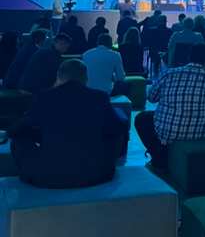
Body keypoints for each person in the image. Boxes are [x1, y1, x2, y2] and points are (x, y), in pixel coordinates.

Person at [9, 58, 127, 188]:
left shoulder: (45, 97)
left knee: (18, 139)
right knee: (116, 128)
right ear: (86, 78)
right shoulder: (100, 97)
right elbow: (117, 128)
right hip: (97, 174)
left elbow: (16, 130)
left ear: (58, 77)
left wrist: (40, 135)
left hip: (49, 176)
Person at [135, 43, 205, 170]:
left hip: (169, 132)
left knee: (142, 118)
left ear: (189, 57)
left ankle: (159, 156)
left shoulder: (169, 74)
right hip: (204, 133)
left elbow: (151, 97)